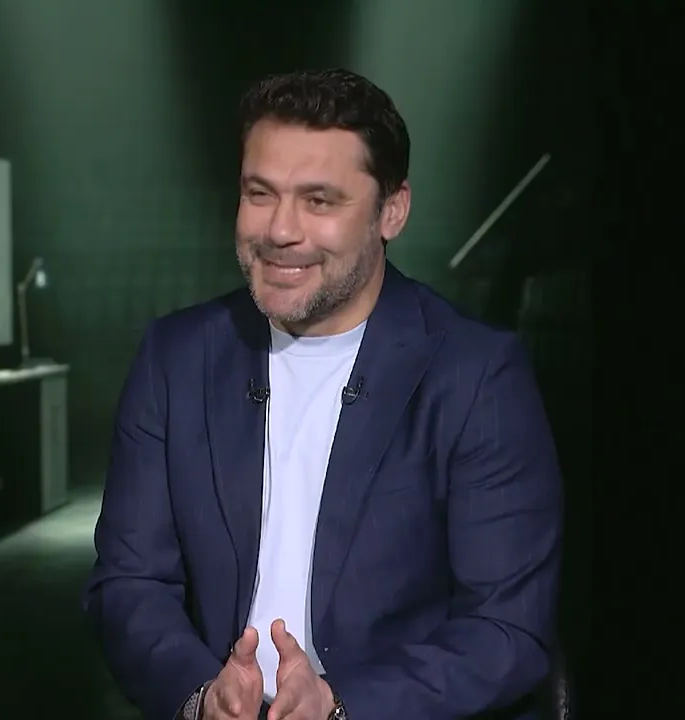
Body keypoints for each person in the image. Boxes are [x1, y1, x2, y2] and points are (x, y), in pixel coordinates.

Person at [84, 68, 563, 720]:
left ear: (391, 211)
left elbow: (507, 629)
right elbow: (129, 581)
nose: (280, 230)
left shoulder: (476, 374)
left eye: (319, 201)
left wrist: (340, 706)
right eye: (260, 193)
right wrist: (200, 697)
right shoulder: (176, 356)